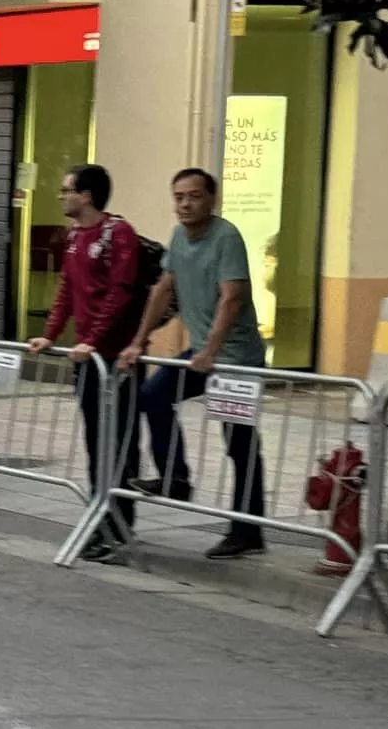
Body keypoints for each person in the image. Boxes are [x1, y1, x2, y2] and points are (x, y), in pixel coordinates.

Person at [118, 167, 267, 559]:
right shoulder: (179, 238)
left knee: (239, 442)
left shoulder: (226, 237)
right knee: (153, 394)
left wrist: (211, 351)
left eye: (194, 196)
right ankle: (175, 478)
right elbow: (163, 289)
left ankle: (247, 530)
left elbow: (232, 297)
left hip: (236, 359)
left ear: (211, 199)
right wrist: (138, 340)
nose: (185, 204)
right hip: (204, 353)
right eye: (179, 196)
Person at [27, 164, 145, 561]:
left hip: (115, 359)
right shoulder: (76, 237)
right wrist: (52, 332)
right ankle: (100, 515)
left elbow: (121, 292)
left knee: (118, 444)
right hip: (89, 359)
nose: (61, 196)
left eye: (67, 190)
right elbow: (67, 290)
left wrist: (93, 341)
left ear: (88, 195)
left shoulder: (119, 234)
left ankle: (118, 525)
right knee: (97, 441)